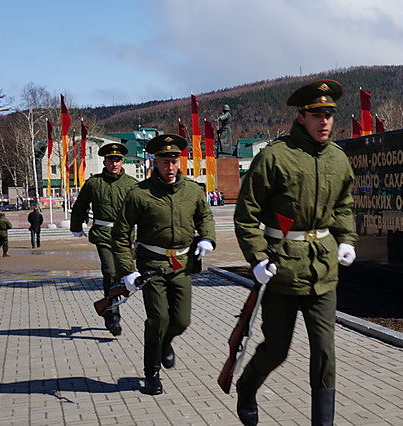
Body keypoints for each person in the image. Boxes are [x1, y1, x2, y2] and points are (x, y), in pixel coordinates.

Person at [233, 79, 357, 426]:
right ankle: (247, 385)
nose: (326, 122)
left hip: (323, 269)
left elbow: (344, 205)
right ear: (301, 116)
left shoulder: (338, 158)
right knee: (277, 350)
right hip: (282, 270)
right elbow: (246, 216)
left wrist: (346, 239)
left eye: (330, 114)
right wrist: (257, 259)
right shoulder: (275, 156)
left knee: (325, 351)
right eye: (317, 115)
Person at [111, 134, 216, 396]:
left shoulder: (192, 191)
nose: (170, 167)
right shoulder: (140, 194)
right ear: (154, 162)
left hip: (180, 263)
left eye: (174, 161)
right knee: (158, 318)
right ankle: (152, 373)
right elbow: (122, 234)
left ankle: (166, 342)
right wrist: (128, 270)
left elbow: (205, 216)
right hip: (151, 263)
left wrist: (207, 238)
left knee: (181, 320)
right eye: (164, 161)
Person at [70, 143, 138, 336]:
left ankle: (110, 303)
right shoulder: (94, 183)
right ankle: (112, 315)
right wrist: (76, 227)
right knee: (109, 271)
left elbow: (143, 210)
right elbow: (81, 205)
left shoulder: (131, 184)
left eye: (118, 159)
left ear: (122, 161)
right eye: (111, 160)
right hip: (103, 234)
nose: (114, 163)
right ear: (105, 161)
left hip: (125, 236)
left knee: (125, 275)